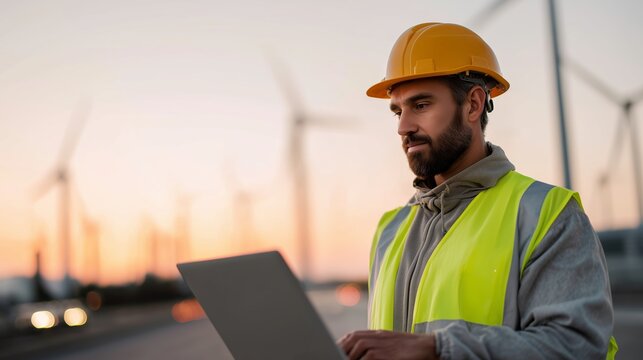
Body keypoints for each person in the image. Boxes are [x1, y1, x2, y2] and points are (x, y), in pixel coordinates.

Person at [338, 22, 617, 360]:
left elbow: (576, 347)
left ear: (473, 104)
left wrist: (440, 350)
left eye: (421, 105)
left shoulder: (545, 214)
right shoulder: (390, 229)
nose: (403, 127)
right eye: (398, 110)